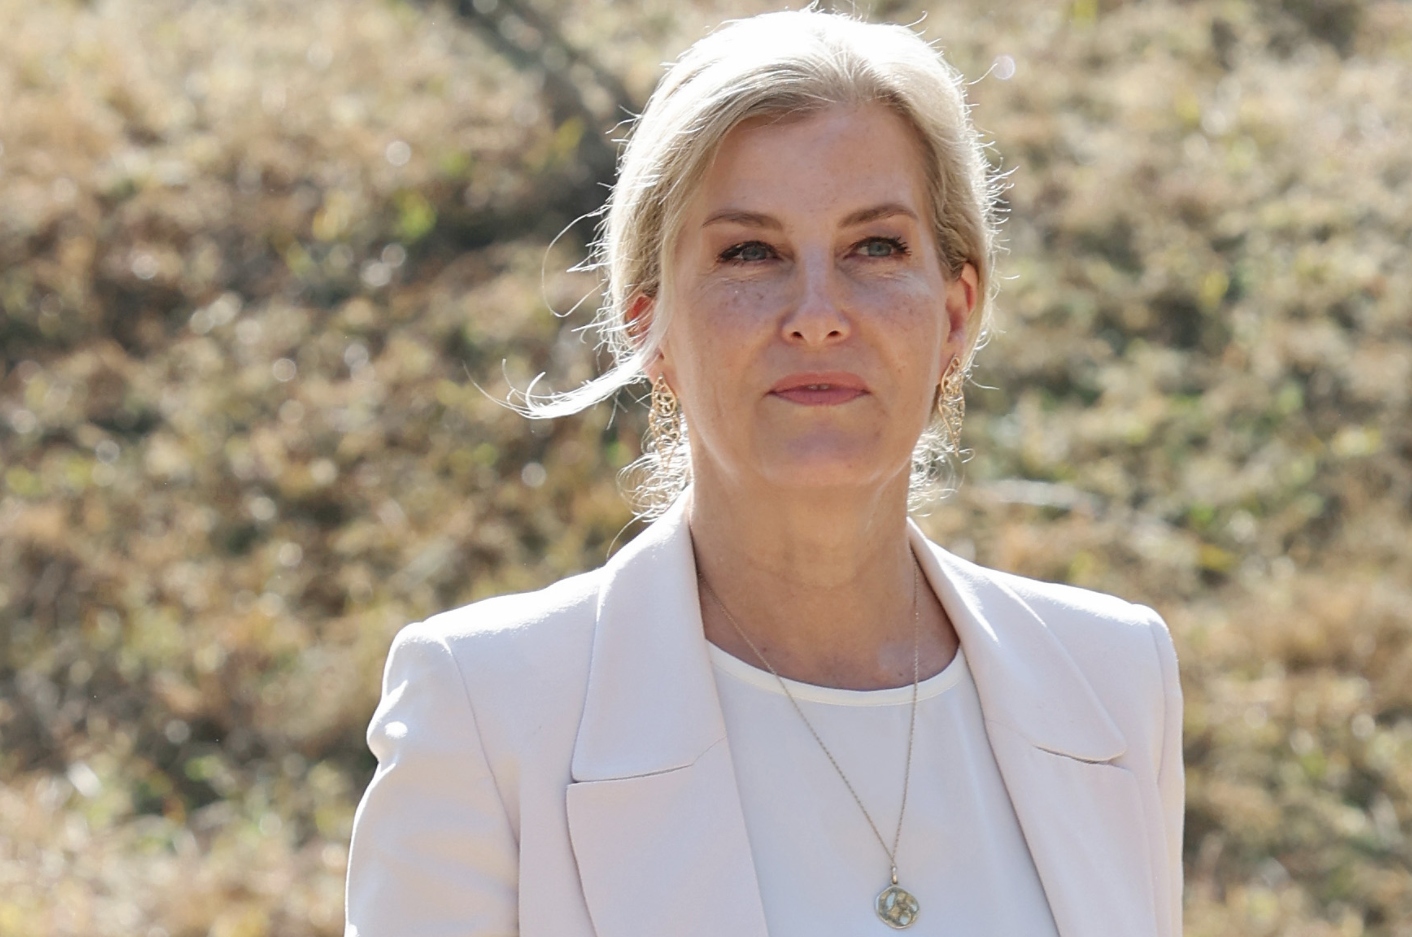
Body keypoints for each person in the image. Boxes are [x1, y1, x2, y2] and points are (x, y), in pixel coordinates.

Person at [344, 9, 1182, 937]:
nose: (818, 314)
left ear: (953, 312)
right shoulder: (486, 711)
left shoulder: (1114, 678)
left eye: (875, 247)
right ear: (649, 328)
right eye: (751, 252)